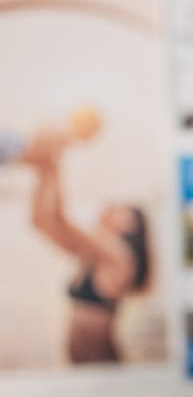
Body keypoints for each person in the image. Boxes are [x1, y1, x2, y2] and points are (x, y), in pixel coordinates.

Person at [18, 109, 153, 364]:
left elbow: (58, 221)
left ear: (132, 225)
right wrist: (46, 169)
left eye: (121, 207)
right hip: (85, 372)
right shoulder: (96, 254)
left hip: (103, 371)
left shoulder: (118, 254)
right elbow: (42, 222)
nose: (110, 206)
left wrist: (53, 165)